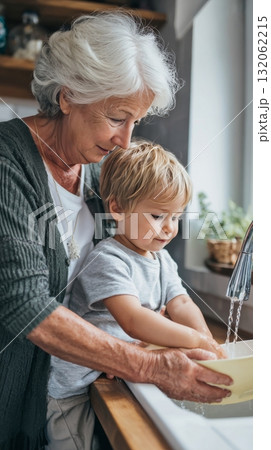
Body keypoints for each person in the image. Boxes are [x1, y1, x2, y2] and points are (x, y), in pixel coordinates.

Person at [0, 12, 232, 450]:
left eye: (135, 122)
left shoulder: (99, 175)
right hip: (13, 404)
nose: (125, 141)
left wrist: (114, 345)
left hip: (73, 387)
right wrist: (140, 363)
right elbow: (24, 306)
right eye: (116, 117)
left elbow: (135, 259)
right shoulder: (8, 166)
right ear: (68, 97)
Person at [47, 141, 228, 449]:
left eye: (177, 216)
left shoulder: (161, 260)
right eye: (158, 216)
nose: (170, 228)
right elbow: (132, 319)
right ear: (117, 209)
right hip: (72, 391)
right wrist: (194, 340)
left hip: (112, 374)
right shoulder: (107, 259)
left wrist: (205, 340)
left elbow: (181, 302)